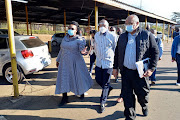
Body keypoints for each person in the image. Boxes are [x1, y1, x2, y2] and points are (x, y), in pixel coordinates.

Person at [113, 15, 159, 120]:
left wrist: (151, 68)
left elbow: (155, 52)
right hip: (126, 72)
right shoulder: (123, 37)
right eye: (126, 24)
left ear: (137, 24)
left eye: (130, 23)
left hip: (140, 73)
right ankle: (130, 117)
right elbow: (117, 53)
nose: (127, 26)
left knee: (142, 95)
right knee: (127, 96)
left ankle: (144, 105)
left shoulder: (146, 35)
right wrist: (115, 68)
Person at [55, 21, 93, 106]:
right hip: (64, 63)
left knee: (78, 78)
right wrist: (58, 60)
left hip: (76, 63)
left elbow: (82, 50)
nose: (70, 30)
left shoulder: (79, 39)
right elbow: (62, 50)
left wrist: (84, 52)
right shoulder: (65, 39)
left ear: (76, 31)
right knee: (64, 79)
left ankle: (81, 92)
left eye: (72, 29)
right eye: (69, 28)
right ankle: (64, 97)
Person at [94, 19, 118, 113]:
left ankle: (102, 102)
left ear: (107, 26)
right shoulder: (96, 35)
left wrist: (115, 65)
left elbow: (115, 50)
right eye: (100, 25)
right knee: (98, 79)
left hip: (108, 63)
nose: (102, 26)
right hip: (99, 63)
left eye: (103, 25)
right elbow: (95, 47)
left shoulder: (112, 36)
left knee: (105, 83)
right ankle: (109, 89)